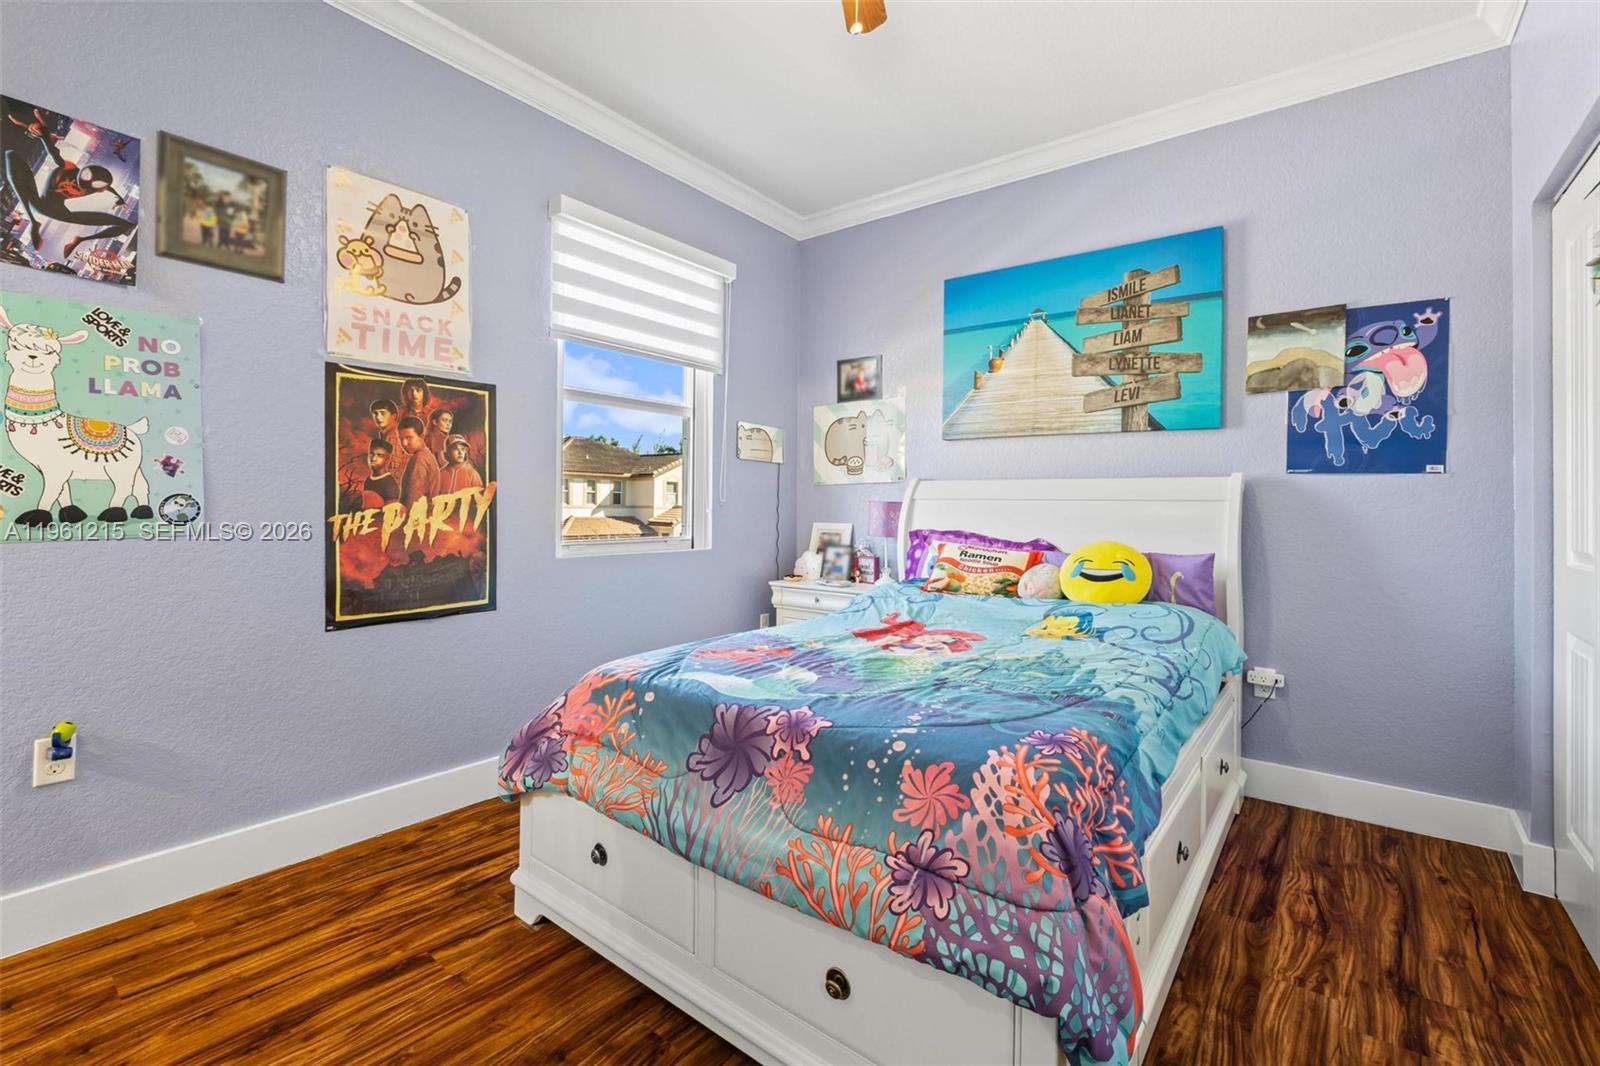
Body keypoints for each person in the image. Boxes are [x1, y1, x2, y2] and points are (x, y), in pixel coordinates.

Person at [3, 105, 135, 259]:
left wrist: (120, 198)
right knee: (11, 155)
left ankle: (79, 240)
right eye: (85, 177)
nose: (79, 185)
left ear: (99, 188)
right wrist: (44, 136)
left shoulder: (97, 187)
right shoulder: (68, 168)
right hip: (39, 203)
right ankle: (33, 222)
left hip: (60, 212)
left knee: (125, 225)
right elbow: (54, 153)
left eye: (95, 185)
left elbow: (109, 188)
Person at [396, 416, 439, 506]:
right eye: (401, 439)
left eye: (409, 438)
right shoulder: (425, 454)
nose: (404, 443)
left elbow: (413, 499)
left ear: (421, 436)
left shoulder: (419, 459)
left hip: (417, 512)